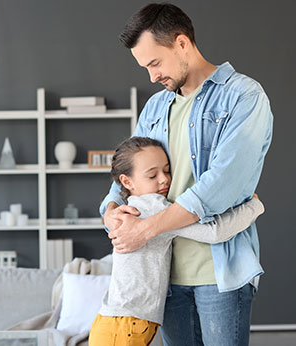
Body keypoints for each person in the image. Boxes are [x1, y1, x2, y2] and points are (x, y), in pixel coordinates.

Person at [100, 3, 273, 346]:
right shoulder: (155, 107)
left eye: (155, 63)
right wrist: (111, 210)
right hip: (164, 276)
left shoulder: (243, 96)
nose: (152, 76)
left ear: (182, 44)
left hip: (218, 272)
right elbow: (127, 173)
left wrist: (144, 229)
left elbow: (221, 185)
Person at [89, 137, 264, 346]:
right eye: (152, 175)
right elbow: (214, 233)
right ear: (127, 182)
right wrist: (254, 207)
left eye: (166, 170)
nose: (164, 180)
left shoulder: (128, 208)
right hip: (125, 326)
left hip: (113, 323)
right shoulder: (152, 207)